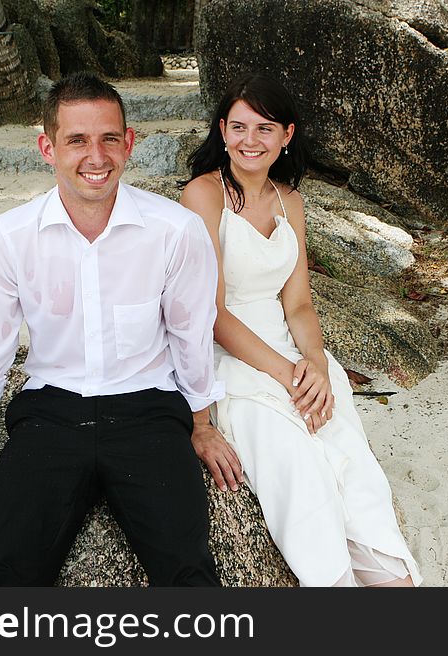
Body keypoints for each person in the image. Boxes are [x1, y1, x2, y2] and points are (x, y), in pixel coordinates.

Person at [0, 72, 224, 587]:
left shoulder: (175, 231)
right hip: (51, 414)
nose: (96, 156)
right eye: (77, 140)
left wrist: (202, 425)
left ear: (129, 143)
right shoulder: (9, 237)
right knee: (6, 573)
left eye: (109, 138)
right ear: (47, 148)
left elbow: (191, 335)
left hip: (148, 413)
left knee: (189, 572)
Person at [179, 73, 422, 587]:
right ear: (222, 130)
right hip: (233, 359)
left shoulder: (290, 200)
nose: (250, 141)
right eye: (239, 127)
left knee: (349, 462)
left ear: (286, 135)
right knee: (296, 465)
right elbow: (212, 313)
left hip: (292, 352)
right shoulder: (203, 196)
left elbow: (299, 303)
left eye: (264, 129)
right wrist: (288, 373)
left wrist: (315, 362)